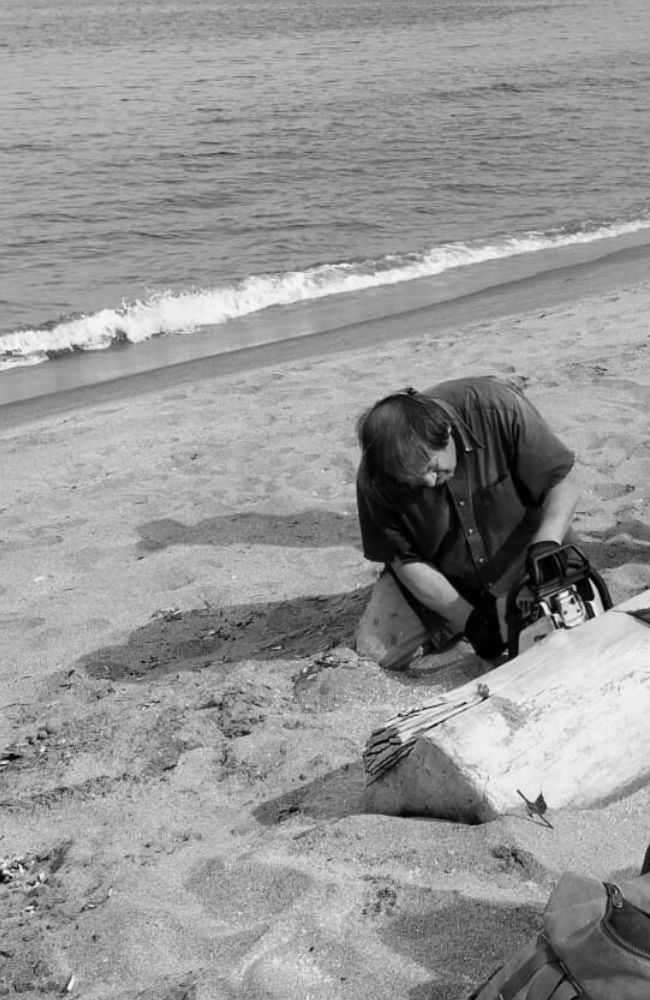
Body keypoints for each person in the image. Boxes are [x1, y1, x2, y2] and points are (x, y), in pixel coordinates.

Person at [355, 375, 580, 668]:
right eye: (413, 480)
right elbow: (404, 561)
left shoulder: (497, 409)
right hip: (445, 579)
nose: (428, 481)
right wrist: (470, 620)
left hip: (526, 561)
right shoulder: (376, 477)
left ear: (446, 431)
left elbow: (563, 481)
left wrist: (546, 543)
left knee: (580, 622)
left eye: (432, 467)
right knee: (376, 651)